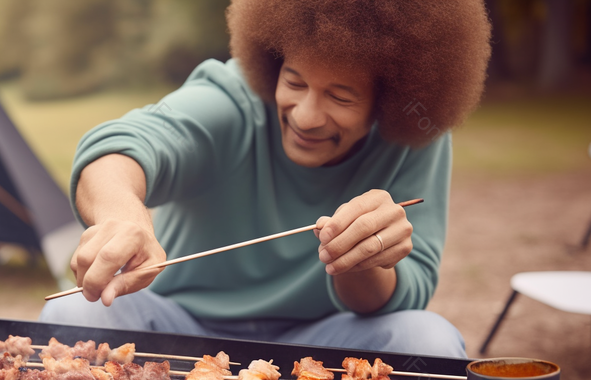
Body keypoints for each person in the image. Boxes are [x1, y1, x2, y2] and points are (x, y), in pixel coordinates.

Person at [40, 0, 492, 359]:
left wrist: (363, 261)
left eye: (340, 96)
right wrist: (123, 217)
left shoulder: (416, 135)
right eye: (294, 82)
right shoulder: (233, 96)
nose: (307, 116)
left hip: (321, 347)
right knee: (70, 309)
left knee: (428, 341)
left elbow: (405, 296)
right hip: (176, 327)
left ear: (389, 103)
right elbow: (119, 147)